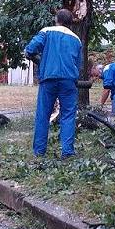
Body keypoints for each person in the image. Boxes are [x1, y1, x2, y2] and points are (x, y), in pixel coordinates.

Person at [24, 9, 83, 159]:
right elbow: (78, 64)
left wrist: (40, 60)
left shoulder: (46, 31)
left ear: (57, 19)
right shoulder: (76, 39)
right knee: (68, 115)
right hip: (69, 81)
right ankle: (67, 152)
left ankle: (39, 152)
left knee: (43, 115)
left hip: (48, 78)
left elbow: (30, 50)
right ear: (70, 22)